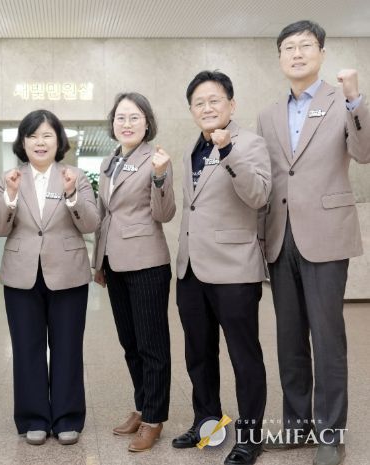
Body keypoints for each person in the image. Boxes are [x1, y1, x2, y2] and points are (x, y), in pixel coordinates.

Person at [257, 20, 370, 465]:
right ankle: (297, 426)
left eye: (306, 45)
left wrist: (356, 98)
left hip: (325, 234)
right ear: (280, 58)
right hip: (279, 236)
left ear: (321, 53)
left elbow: (364, 152)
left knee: (327, 338)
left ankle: (330, 433)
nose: (297, 53)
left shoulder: (342, 101)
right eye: (289, 47)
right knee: (289, 340)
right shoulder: (268, 114)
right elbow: (270, 177)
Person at [172, 71, 270, 465]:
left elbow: (258, 195)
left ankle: (250, 437)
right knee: (199, 353)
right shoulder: (190, 149)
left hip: (234, 269)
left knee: (244, 357)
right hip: (191, 270)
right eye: (199, 103)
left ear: (232, 104)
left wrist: (228, 151)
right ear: (191, 110)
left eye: (214, 100)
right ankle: (207, 423)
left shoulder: (250, 143)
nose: (207, 108)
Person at [0, 109, 100, 447]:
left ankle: (67, 418)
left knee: (67, 347)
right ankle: (33, 418)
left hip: (68, 273)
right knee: (27, 348)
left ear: (58, 141)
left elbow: (91, 223)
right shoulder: (9, 178)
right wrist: (10, 197)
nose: (40, 142)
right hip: (21, 274)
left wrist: (72, 195)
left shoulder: (75, 176)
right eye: (33, 136)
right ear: (23, 142)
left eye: (47, 135)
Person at [92, 93, 176, 452]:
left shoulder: (156, 159)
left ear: (147, 123)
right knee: (130, 344)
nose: (126, 124)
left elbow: (164, 213)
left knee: (151, 345)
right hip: (115, 263)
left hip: (146, 263)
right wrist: (99, 262)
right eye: (120, 118)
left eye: (134, 117)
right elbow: (103, 214)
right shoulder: (109, 161)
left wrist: (159, 176)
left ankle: (154, 419)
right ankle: (142, 407)